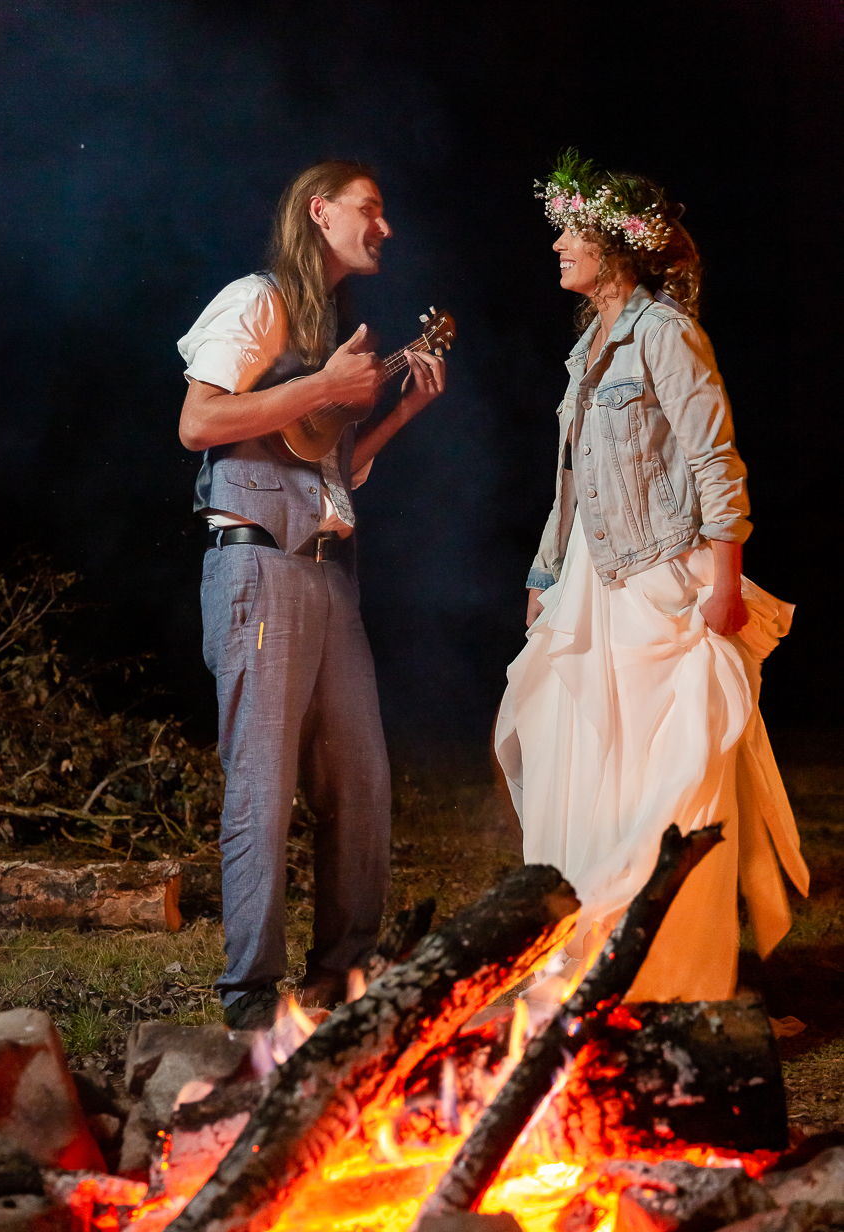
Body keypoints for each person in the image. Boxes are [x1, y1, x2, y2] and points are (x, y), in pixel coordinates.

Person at [495, 150, 808, 1004]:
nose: (556, 244)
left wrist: (722, 578)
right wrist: (545, 569)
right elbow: (570, 475)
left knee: (660, 773)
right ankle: (582, 961)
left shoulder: (665, 333)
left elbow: (715, 461)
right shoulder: (589, 344)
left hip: (657, 575)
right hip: (591, 582)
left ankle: (669, 976)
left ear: (614, 247)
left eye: (570, 232)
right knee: (572, 756)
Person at [177, 160, 445, 1029]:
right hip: (258, 567)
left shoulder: (329, 323)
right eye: (371, 209)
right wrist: (323, 385)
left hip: (330, 573)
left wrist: (394, 415)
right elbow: (199, 423)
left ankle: (342, 981)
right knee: (262, 782)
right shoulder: (257, 301)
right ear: (320, 212)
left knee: (360, 780)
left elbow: (329, 462)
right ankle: (252, 997)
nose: (385, 227)